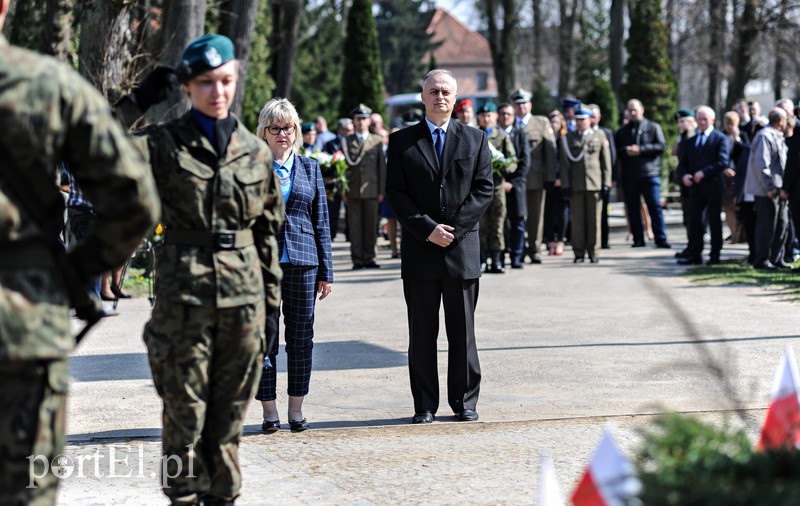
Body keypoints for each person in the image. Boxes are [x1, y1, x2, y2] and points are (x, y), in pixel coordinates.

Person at [114, 34, 284, 504]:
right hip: (182, 309)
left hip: (243, 308)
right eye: (206, 83)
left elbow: (269, 237)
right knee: (183, 423)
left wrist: (271, 311)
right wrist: (137, 102)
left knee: (227, 428)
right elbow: (93, 151)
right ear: (188, 87)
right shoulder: (164, 146)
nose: (218, 92)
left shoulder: (254, 152)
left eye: (226, 81)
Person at [0, 0, 159, 499]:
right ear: (5, 7)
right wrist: (73, 273)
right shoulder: (49, 86)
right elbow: (134, 200)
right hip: (21, 327)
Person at [385, 69, 493, 424]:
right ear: (423, 96)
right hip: (420, 251)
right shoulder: (402, 142)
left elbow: (483, 190)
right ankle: (424, 404)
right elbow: (396, 194)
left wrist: (455, 230)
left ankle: (464, 401)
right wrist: (428, 229)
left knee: (463, 333)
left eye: (445, 91)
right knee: (422, 333)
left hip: (461, 252)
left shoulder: (475, 139)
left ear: (455, 96)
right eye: (433, 91)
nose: (439, 97)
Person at [255, 98, 333, 433]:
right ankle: (269, 412)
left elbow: (322, 224)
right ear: (264, 133)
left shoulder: (311, 168)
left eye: (288, 127)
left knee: (301, 338)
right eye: (275, 128)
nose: (283, 133)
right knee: (263, 339)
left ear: (296, 131)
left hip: (303, 264)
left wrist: (327, 272)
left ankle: (296, 410)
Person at [677, 105, 731, 265]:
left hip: (713, 186)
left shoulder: (720, 138)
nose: (701, 122)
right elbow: (683, 163)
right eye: (699, 119)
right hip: (695, 188)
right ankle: (695, 253)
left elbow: (722, 161)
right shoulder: (692, 140)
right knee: (695, 222)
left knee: (714, 221)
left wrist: (704, 173)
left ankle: (715, 255)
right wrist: (685, 175)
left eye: (704, 119)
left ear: (712, 120)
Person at [614, 99, 670, 249]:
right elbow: (616, 152)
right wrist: (627, 150)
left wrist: (641, 149)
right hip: (630, 175)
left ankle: (660, 238)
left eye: (635, 110)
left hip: (649, 173)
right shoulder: (622, 132)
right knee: (633, 208)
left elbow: (660, 146)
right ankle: (638, 238)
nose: (632, 113)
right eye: (629, 110)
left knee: (654, 207)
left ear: (642, 110)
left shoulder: (653, 127)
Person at [511, 88, 557, 264]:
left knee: (536, 215)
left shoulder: (541, 123)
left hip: (535, 177)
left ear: (530, 105)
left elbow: (550, 152)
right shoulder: (510, 122)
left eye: (524, 103)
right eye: (518, 104)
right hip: (515, 179)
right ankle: (518, 248)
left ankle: (534, 248)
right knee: (517, 216)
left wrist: (550, 177)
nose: (521, 107)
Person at [560, 107, 612, 263]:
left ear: (590, 120)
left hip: (594, 184)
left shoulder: (599, 135)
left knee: (594, 220)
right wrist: (566, 185)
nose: (580, 123)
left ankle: (594, 252)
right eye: (577, 120)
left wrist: (606, 183)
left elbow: (605, 162)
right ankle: (578, 252)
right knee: (577, 221)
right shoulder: (568, 138)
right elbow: (564, 164)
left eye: (583, 120)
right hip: (576, 186)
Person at [342, 103, 386, 269]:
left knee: (371, 225)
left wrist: (381, 190)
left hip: (372, 190)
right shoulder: (346, 141)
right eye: (358, 119)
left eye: (364, 119)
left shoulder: (376, 141)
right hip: (352, 190)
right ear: (353, 121)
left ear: (369, 121)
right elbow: (342, 168)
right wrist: (343, 190)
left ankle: (370, 257)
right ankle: (357, 259)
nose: (361, 122)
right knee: (355, 227)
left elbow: (381, 168)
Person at [744, 107, 789, 270]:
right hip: (767, 191)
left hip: (779, 189)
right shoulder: (765, 136)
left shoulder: (777, 135)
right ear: (780, 121)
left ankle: (777, 259)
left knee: (781, 225)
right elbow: (762, 164)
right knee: (766, 226)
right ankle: (762, 260)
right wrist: (769, 186)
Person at [477, 101, 517, 273]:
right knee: (481, 224)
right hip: (478, 189)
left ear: (494, 117)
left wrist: (503, 166)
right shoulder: (474, 135)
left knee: (498, 224)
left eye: (489, 115)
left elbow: (512, 160)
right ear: (478, 117)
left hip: (497, 187)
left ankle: (497, 260)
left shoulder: (501, 137)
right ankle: (482, 259)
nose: (486, 119)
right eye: (483, 116)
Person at [498, 102, 531, 268]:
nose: (505, 117)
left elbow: (525, 162)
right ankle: (501, 257)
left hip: (516, 186)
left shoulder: (520, 135)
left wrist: (512, 182)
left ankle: (517, 256)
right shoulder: (492, 135)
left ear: (513, 117)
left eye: (508, 114)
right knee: (500, 223)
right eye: (502, 114)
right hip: (497, 186)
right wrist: (500, 182)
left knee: (518, 222)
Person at [588, 104, 617, 249]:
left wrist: (611, 178)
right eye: (589, 116)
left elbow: (611, 157)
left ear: (599, 118)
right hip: (586, 180)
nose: (591, 119)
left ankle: (603, 241)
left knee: (602, 212)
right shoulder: (580, 132)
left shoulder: (605, 133)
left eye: (593, 116)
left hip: (601, 179)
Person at [544, 110, 569, 256]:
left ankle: (560, 240)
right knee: (549, 212)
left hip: (561, 181)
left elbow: (565, 161)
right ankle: (550, 241)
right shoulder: (546, 138)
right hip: (548, 180)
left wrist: (560, 177)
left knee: (562, 211)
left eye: (556, 122)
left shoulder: (564, 139)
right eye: (552, 122)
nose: (554, 125)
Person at [672, 108, 697, 244]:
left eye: (683, 121)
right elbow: (674, 152)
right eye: (679, 122)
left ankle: (693, 244)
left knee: (691, 214)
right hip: (683, 178)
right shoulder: (682, 136)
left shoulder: (691, 136)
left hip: (690, 179)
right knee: (687, 214)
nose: (679, 124)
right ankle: (690, 243)